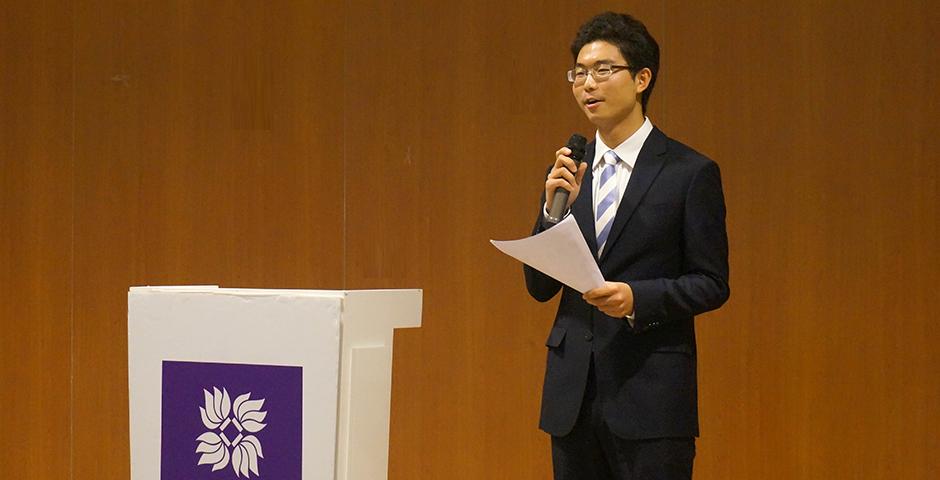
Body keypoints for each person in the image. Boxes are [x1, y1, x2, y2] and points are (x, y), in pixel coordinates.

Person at [523, 12, 730, 480]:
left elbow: (712, 283)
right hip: (572, 395)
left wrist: (638, 298)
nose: (586, 84)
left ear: (641, 78)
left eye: (602, 70)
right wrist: (554, 214)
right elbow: (538, 286)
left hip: (651, 394)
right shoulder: (568, 170)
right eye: (579, 73)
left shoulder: (689, 172)